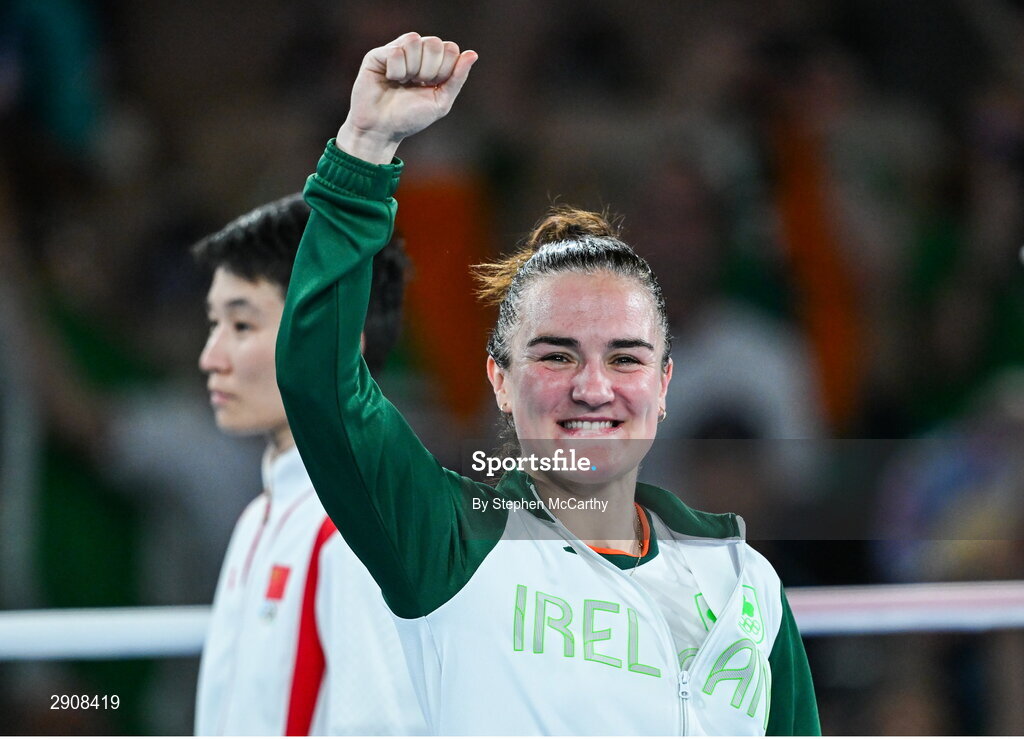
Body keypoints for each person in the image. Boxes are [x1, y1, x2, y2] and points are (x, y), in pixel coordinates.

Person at [277, 32, 819, 735]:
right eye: (557, 356)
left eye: (625, 358)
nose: (593, 387)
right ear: (499, 381)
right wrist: (365, 147)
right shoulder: (451, 542)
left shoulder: (747, 584)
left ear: (664, 384)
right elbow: (320, 380)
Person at [192, 193, 427, 735]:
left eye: (242, 325)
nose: (211, 357)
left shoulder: (357, 529)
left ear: (339, 340)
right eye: (213, 323)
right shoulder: (261, 518)